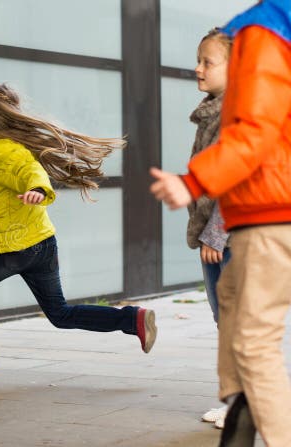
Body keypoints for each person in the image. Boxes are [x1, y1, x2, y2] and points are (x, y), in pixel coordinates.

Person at [0, 82, 157, 386]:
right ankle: (132, 319)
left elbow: (31, 172)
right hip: (41, 244)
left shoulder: (7, 151)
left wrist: (38, 189)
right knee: (60, 314)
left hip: (13, 248)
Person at [150, 1, 291, 445]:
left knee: (254, 342)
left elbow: (255, 131)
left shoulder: (263, 35)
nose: (197, 69)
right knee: (230, 298)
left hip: (269, 216)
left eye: (206, 62)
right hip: (263, 212)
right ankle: (242, 411)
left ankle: (265, 419)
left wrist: (194, 182)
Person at [187, 28, 233, 430]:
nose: (197, 68)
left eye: (208, 62)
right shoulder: (214, 110)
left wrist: (215, 234)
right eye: (198, 60)